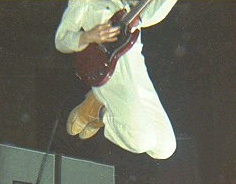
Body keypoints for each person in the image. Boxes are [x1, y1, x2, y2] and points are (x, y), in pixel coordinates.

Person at [55, 0, 177, 159]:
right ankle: (97, 110)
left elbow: (150, 13)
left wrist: (139, 19)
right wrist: (88, 36)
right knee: (140, 140)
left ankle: (98, 104)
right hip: (111, 73)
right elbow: (61, 40)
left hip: (137, 68)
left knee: (166, 148)